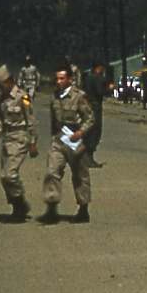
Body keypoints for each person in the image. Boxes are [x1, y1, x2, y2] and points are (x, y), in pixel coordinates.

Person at [41, 63, 96, 224]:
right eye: (56, 78)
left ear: (70, 80)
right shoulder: (54, 97)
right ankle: (51, 207)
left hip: (75, 139)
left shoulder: (79, 97)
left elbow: (90, 118)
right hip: (59, 140)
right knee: (52, 171)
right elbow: (53, 119)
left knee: (80, 176)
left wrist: (81, 132)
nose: (58, 81)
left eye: (62, 78)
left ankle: (83, 209)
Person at [0, 65, 38, 222]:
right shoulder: (2, 98)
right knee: (4, 177)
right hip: (7, 139)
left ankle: (20, 200)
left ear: (9, 81)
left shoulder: (23, 97)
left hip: (20, 137)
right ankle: (17, 206)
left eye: (1, 84)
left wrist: (33, 142)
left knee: (10, 174)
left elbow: (31, 120)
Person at [83, 61, 109, 168]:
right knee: (95, 131)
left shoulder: (88, 78)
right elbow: (100, 91)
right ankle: (89, 157)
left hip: (87, 106)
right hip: (95, 106)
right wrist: (108, 89)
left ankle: (85, 157)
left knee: (88, 130)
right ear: (98, 68)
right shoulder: (97, 78)